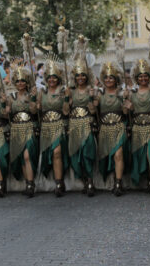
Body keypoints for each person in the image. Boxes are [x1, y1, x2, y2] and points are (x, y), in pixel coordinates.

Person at [124, 59, 150, 196]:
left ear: (149, 77)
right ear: (136, 78)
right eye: (140, 76)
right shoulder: (132, 93)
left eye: (145, 76)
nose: (143, 78)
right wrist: (127, 104)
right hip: (137, 129)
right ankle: (148, 179)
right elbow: (126, 112)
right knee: (141, 157)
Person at [38, 58, 69, 196]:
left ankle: (59, 182)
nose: (51, 80)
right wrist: (34, 101)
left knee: (57, 152)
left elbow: (66, 111)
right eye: (49, 77)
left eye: (54, 77)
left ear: (58, 78)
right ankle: (56, 179)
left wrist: (67, 99)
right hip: (45, 127)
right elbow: (35, 111)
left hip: (59, 126)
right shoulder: (42, 92)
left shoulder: (63, 91)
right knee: (49, 155)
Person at [67, 58, 98, 196]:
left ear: (87, 76)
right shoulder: (70, 91)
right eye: (78, 75)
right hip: (73, 126)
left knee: (87, 153)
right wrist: (66, 99)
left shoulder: (92, 90)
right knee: (75, 155)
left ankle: (90, 181)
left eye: (83, 75)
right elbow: (65, 111)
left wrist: (91, 98)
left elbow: (93, 111)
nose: (80, 78)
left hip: (87, 125)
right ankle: (84, 179)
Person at [7, 65, 38, 197]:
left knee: (27, 156)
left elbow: (34, 111)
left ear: (27, 83)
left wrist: (33, 99)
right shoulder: (11, 97)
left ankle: (31, 184)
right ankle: (28, 183)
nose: (20, 83)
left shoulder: (31, 94)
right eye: (18, 81)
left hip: (29, 128)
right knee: (21, 157)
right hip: (16, 130)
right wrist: (5, 108)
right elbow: (6, 114)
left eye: (23, 81)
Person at [96, 62, 127, 196]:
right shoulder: (99, 95)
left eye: (111, 78)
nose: (108, 80)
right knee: (108, 157)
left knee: (118, 154)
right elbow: (93, 111)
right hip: (104, 129)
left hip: (119, 127)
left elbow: (126, 113)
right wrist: (93, 103)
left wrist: (127, 103)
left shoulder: (121, 94)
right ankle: (112, 178)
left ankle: (118, 183)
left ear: (116, 80)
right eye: (106, 77)